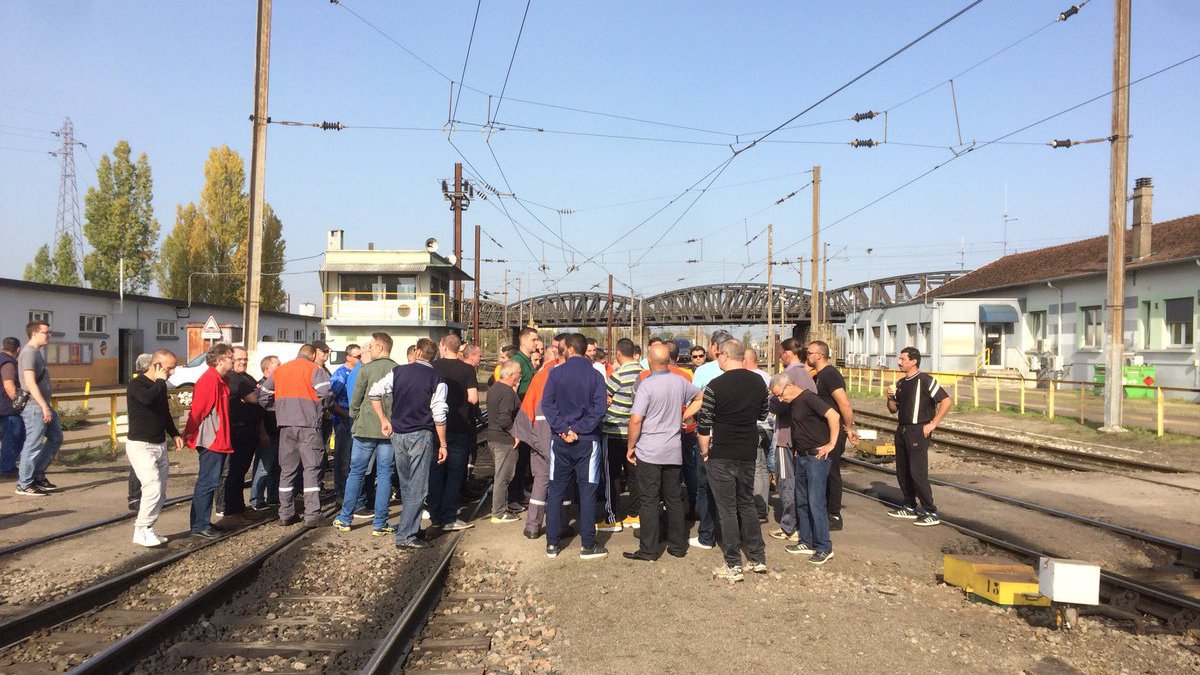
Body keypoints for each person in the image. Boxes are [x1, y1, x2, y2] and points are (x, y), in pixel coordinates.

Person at [696, 339, 769, 582]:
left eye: (718, 356)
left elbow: (704, 424)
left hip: (722, 451)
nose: (717, 359)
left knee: (727, 509)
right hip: (747, 449)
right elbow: (762, 414)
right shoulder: (758, 381)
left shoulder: (715, 386)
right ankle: (757, 558)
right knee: (746, 503)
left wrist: (705, 451)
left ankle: (733, 563)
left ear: (725, 356)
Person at [369, 337, 448, 550]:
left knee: (406, 485)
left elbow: (374, 392)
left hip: (398, 435)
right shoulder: (437, 377)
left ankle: (410, 527)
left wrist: (384, 420)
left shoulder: (398, 371)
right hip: (420, 434)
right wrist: (443, 444)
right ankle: (405, 536)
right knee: (419, 488)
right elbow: (439, 414)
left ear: (416, 351)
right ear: (434, 356)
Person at [623, 343, 699, 562]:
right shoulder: (681, 381)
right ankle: (677, 546)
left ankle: (648, 549)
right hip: (673, 449)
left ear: (649, 359)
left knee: (649, 500)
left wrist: (631, 446)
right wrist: (684, 416)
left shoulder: (646, 386)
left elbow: (636, 419)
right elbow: (701, 397)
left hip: (649, 450)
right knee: (674, 498)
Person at [541, 333, 609, 560]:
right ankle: (588, 545)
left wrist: (563, 428)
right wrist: (578, 429)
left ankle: (551, 543)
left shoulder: (555, 374)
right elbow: (599, 409)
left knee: (556, 490)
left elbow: (547, 404)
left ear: (569, 349)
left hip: (559, 441)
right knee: (587, 490)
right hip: (587, 441)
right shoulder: (596, 376)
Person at [770, 373, 840, 565]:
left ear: (789, 385)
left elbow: (833, 415)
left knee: (816, 502)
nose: (780, 399)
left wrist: (832, 443)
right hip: (802, 455)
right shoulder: (793, 403)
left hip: (817, 456)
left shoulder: (809, 398)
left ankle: (824, 546)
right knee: (801, 500)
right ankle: (806, 541)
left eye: (780, 394)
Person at [259, 344, 333, 527]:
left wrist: (280, 409)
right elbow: (326, 393)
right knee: (311, 469)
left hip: (285, 426)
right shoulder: (314, 369)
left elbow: (263, 395)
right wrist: (321, 407)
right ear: (313, 354)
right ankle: (312, 514)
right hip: (308, 426)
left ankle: (285, 513)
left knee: (287, 470)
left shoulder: (281, 370)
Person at [334, 333, 399, 536]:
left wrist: (356, 418)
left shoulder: (366, 369)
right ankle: (380, 523)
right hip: (388, 431)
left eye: (371, 346)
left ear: (380, 347)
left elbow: (355, 400)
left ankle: (345, 518)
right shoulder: (399, 370)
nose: (368, 349)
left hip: (364, 430)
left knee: (356, 473)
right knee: (385, 474)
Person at [885, 347, 951, 527]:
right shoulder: (900, 383)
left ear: (914, 361)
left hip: (918, 430)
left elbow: (946, 400)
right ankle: (909, 505)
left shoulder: (925, 379)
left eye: (903, 359)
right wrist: (890, 397)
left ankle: (930, 511)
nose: (899, 362)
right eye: (899, 359)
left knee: (917, 471)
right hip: (903, 429)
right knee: (902, 470)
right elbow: (893, 410)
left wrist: (933, 423)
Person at [126, 349, 183, 547]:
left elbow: (164, 413)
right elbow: (146, 399)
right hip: (141, 444)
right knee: (152, 487)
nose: (172, 372)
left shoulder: (161, 387)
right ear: (157, 366)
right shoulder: (137, 384)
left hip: (159, 444)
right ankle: (140, 529)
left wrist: (174, 433)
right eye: (169, 368)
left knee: (161, 492)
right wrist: (160, 381)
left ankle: (149, 528)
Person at [766, 338, 818, 543]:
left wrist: (772, 402)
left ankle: (789, 526)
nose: (779, 357)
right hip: (802, 436)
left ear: (788, 353)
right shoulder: (806, 373)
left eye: (780, 353)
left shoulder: (789, 375)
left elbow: (778, 406)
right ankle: (803, 524)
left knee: (786, 481)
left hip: (786, 435)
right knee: (801, 482)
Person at [686, 329, 733, 549]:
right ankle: (731, 533)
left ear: (714, 347)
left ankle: (707, 535)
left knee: (705, 486)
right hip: (733, 437)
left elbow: (696, 401)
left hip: (707, 435)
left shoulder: (704, 371)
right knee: (731, 486)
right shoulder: (743, 371)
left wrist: (685, 418)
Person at [806, 340, 859, 531]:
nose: (807, 355)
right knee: (824, 471)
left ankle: (834, 515)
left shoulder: (829, 375)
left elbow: (843, 403)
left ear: (820, 355)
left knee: (831, 472)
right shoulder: (818, 375)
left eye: (809, 352)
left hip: (833, 431)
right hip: (823, 431)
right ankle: (824, 511)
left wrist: (849, 426)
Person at [183, 343, 234, 538]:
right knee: (207, 482)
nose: (233, 360)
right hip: (211, 439)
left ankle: (202, 522)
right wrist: (189, 434)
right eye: (230, 357)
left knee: (210, 481)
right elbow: (198, 411)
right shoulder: (210, 380)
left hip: (217, 438)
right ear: (220, 360)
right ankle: (199, 526)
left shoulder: (220, 380)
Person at [429, 334, 478, 531]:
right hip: (459, 427)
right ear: (458, 349)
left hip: (435, 426)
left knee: (436, 471)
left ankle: (435, 514)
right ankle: (449, 516)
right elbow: (473, 398)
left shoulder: (432, 367)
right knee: (455, 474)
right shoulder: (467, 369)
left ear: (443, 346)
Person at [15, 321, 62, 496]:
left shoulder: (36, 353)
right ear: (34, 333)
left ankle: (37, 474)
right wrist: (44, 407)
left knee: (56, 437)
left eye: (49, 332)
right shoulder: (29, 354)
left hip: (42, 406)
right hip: (35, 407)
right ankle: (24, 483)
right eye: (45, 332)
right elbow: (29, 382)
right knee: (33, 445)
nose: (48, 335)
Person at [602, 338, 643, 531]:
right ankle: (635, 515)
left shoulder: (617, 375)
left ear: (618, 353)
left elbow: (605, 397)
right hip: (637, 433)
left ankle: (612, 518)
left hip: (614, 431)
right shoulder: (643, 374)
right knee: (634, 475)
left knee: (612, 476)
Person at [221, 346, 262, 516]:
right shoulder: (234, 379)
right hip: (237, 430)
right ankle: (229, 506)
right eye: (239, 359)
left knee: (241, 470)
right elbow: (255, 398)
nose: (242, 362)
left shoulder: (247, 378)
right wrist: (257, 392)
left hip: (249, 429)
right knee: (233, 470)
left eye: (245, 359)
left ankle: (237, 505)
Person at [485, 360, 523, 523]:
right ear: (511, 375)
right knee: (503, 476)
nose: (520, 376)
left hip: (493, 438)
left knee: (501, 475)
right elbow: (504, 419)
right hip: (504, 440)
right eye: (518, 373)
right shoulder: (507, 392)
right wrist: (515, 433)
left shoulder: (493, 388)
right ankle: (498, 512)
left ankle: (501, 508)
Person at [329, 343, 363, 504]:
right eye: (357, 356)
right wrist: (345, 415)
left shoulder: (357, 372)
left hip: (353, 419)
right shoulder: (340, 375)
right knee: (343, 457)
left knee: (351, 457)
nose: (360, 359)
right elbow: (330, 400)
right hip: (343, 421)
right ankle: (341, 492)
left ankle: (350, 491)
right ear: (348, 357)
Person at [743, 348, 773, 524]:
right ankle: (762, 507)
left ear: (746, 361)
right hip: (768, 426)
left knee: (757, 468)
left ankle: (758, 507)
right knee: (764, 468)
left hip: (756, 427)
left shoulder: (750, 379)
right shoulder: (766, 376)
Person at [250, 355, 282, 510]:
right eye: (278, 365)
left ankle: (273, 496)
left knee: (276, 466)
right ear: (267, 368)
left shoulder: (279, 385)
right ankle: (256, 499)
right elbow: (259, 413)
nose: (281, 367)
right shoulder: (261, 387)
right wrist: (263, 433)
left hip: (278, 432)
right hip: (268, 432)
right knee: (264, 466)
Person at [1, 337, 25, 479]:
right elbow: (9, 386)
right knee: (15, 436)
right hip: (7, 408)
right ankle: (6, 468)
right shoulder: (8, 364)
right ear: (18, 350)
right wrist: (20, 405)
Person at [512, 327, 539, 398]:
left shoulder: (528, 360)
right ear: (523, 341)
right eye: (533, 340)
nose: (536, 343)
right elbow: (511, 389)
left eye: (537, 340)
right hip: (520, 406)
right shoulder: (517, 361)